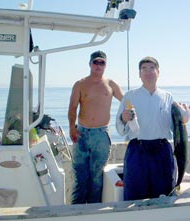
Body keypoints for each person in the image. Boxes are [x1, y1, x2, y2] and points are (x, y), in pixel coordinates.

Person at [115, 56, 189, 201]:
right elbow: (119, 129)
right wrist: (123, 119)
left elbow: (178, 126)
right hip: (137, 151)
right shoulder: (130, 96)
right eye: (144, 69)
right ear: (139, 74)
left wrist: (185, 116)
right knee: (134, 197)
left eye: (152, 68)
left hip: (162, 151)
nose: (148, 72)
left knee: (164, 196)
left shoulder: (168, 97)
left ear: (158, 72)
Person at [68, 50, 124, 204]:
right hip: (81, 133)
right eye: (96, 62)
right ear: (90, 64)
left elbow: (126, 102)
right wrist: (72, 128)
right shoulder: (79, 84)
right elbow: (72, 108)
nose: (98, 65)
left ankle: (93, 211)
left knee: (97, 177)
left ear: (106, 65)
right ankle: (76, 211)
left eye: (102, 62)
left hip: (101, 135)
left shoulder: (111, 84)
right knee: (81, 176)